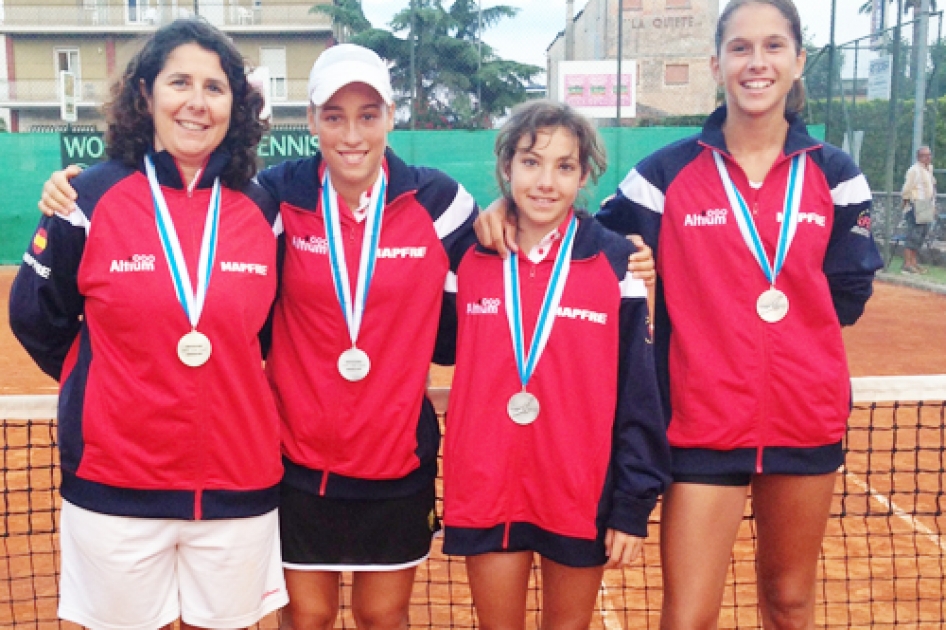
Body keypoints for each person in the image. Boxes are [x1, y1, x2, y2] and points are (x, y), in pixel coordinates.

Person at [37, 42, 656, 630]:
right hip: (294, 462)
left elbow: (518, 257)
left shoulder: (442, 204)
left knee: (383, 616)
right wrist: (80, 182)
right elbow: (179, 214)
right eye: (334, 116)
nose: (352, 135)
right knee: (306, 616)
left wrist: (527, 217)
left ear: (391, 115)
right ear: (311, 119)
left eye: (368, 115)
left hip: (395, 463)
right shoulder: (273, 197)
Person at [476, 1, 883, 628]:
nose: (756, 62)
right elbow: (578, 231)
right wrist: (506, 208)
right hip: (700, 429)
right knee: (688, 616)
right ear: (715, 63)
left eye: (773, 46)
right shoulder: (664, 175)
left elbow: (847, 296)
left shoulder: (836, 175)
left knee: (792, 601)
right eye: (740, 48)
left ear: (798, 61)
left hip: (806, 422)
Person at [10, 18, 288, 630]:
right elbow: (36, 314)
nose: (196, 101)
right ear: (145, 94)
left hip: (237, 485)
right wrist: (108, 380)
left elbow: (263, 331)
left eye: (215, 87)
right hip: (116, 486)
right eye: (179, 82)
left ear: (234, 105)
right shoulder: (89, 197)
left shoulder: (261, 206)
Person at [442, 99, 670, 630]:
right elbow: (437, 347)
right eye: (530, 162)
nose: (545, 182)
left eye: (564, 166)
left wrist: (633, 505)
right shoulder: (468, 259)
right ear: (506, 168)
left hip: (577, 492)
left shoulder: (616, 262)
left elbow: (640, 393)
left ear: (584, 175)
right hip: (487, 488)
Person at [900, 145, 936, 274]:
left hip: (926, 205)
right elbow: (906, 189)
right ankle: (907, 264)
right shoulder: (913, 170)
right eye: (925, 155)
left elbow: (931, 188)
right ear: (919, 157)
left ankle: (914, 263)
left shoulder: (929, 169)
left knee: (921, 235)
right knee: (913, 235)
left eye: (929, 155)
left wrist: (933, 206)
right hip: (915, 205)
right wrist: (905, 203)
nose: (928, 157)